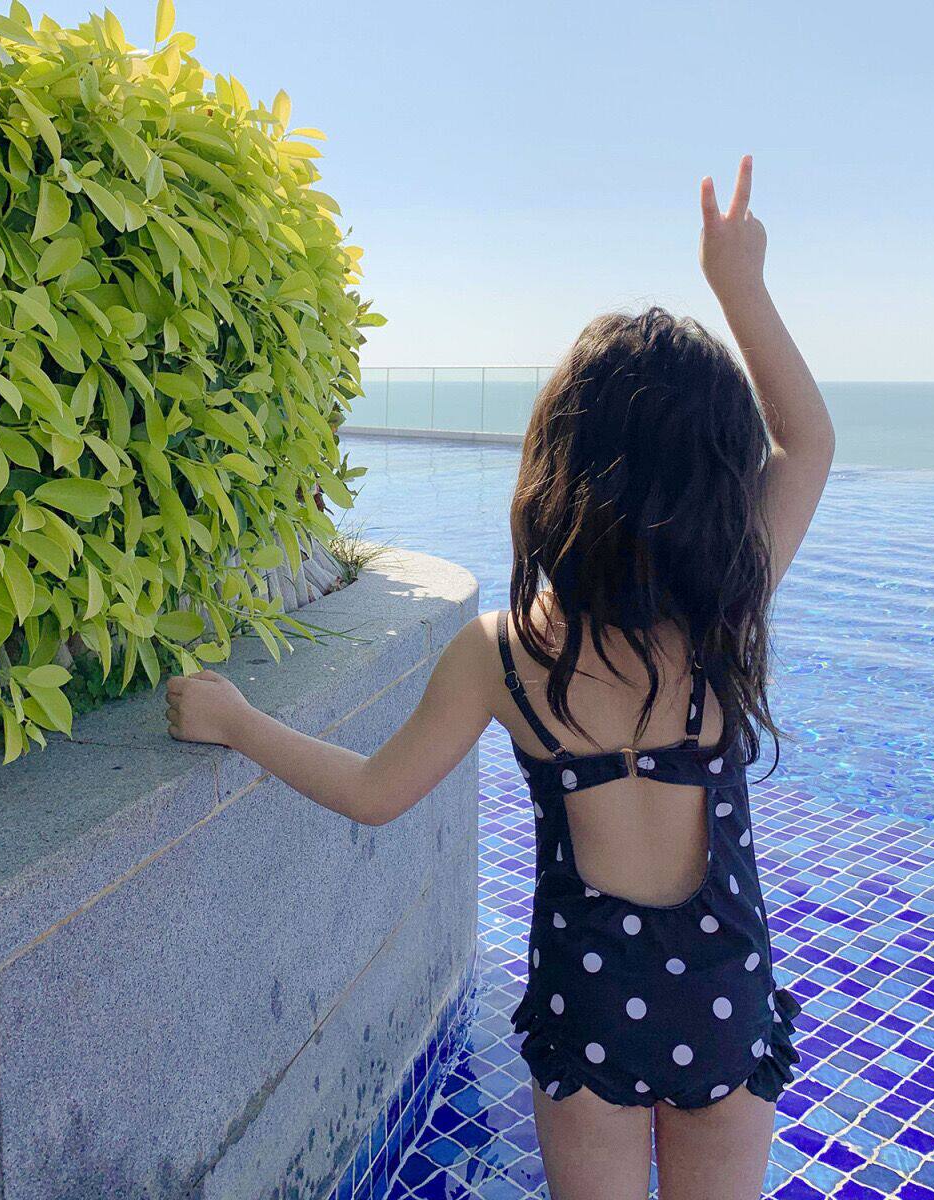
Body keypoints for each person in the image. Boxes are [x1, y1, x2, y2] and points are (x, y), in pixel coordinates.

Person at [165, 155, 834, 1200]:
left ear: (556, 471)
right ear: (716, 486)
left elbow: (374, 793)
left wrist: (239, 719)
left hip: (589, 1010)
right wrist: (736, 282)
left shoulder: (507, 652)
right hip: (722, 1000)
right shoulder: (723, 619)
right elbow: (809, 442)